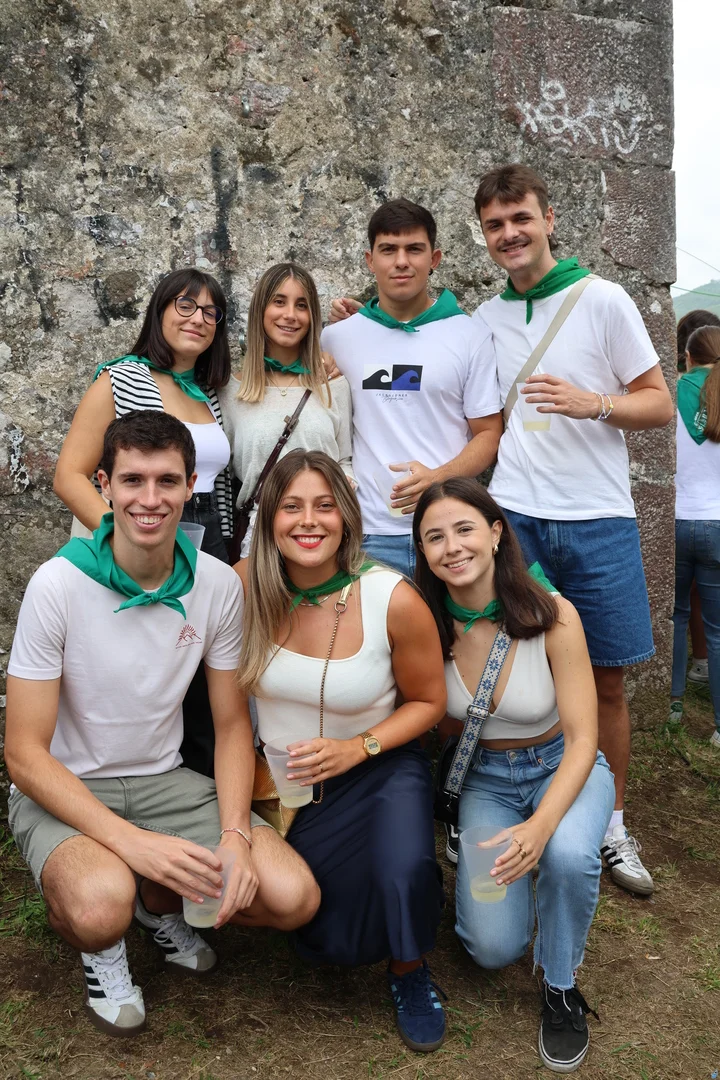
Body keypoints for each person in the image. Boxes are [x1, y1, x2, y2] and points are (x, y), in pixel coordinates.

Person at [5, 411, 320, 1037]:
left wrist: (235, 833)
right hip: (68, 785)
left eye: (167, 481)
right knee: (100, 907)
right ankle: (105, 938)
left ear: (190, 485)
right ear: (104, 485)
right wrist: (131, 844)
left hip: (164, 780)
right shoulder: (57, 584)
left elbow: (232, 725)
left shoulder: (214, 584)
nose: (150, 499)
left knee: (293, 898)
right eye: (133, 480)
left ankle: (155, 903)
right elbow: (23, 755)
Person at [468, 164, 672, 898]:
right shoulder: (484, 319)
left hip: (598, 520)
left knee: (607, 680)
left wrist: (595, 404)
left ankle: (611, 825)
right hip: (516, 518)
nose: (510, 234)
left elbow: (660, 404)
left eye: (521, 218)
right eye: (495, 225)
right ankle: (522, 813)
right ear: (484, 236)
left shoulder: (603, 299)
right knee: (514, 675)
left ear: (549, 218)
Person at [234, 449, 448, 1053]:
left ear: (347, 517)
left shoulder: (391, 597)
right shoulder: (245, 584)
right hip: (287, 783)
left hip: (380, 766)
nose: (309, 521)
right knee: (328, 932)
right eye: (292, 506)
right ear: (270, 519)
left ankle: (410, 969)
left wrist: (359, 746)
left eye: (325, 506)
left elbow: (430, 702)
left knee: (403, 868)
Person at [413, 478, 615, 1074]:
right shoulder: (424, 624)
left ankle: (561, 985)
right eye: (434, 537)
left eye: (465, 529)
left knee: (567, 856)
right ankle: (509, 893)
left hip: (563, 765)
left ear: (497, 532)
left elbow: (585, 738)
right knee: (492, 948)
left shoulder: (553, 613)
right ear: (422, 551)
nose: (452, 547)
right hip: (486, 781)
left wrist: (541, 828)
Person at [54, 267, 236, 776]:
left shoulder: (208, 392)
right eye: (185, 305)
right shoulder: (120, 378)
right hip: (142, 529)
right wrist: (123, 536)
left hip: (208, 535)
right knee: (145, 657)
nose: (198, 319)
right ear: (159, 312)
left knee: (204, 669)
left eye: (211, 312)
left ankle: (202, 787)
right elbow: (69, 475)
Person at [321, 198, 502, 578]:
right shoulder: (336, 338)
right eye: (388, 249)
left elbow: (489, 434)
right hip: (364, 533)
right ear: (370, 260)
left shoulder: (470, 335)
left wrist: (438, 477)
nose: (401, 261)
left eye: (414, 249)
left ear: (434, 258)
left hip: (446, 532)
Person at [219, 262, 353, 557]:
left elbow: (344, 461)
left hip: (319, 536)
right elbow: (222, 476)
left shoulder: (333, 385)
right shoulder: (230, 391)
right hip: (259, 541)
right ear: (260, 310)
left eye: (301, 305)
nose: (290, 315)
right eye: (279, 302)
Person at [670, 325, 720, 748]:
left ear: (687, 357)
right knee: (718, 631)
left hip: (675, 520)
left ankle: (671, 706)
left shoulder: (669, 392)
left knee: (675, 617)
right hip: (718, 524)